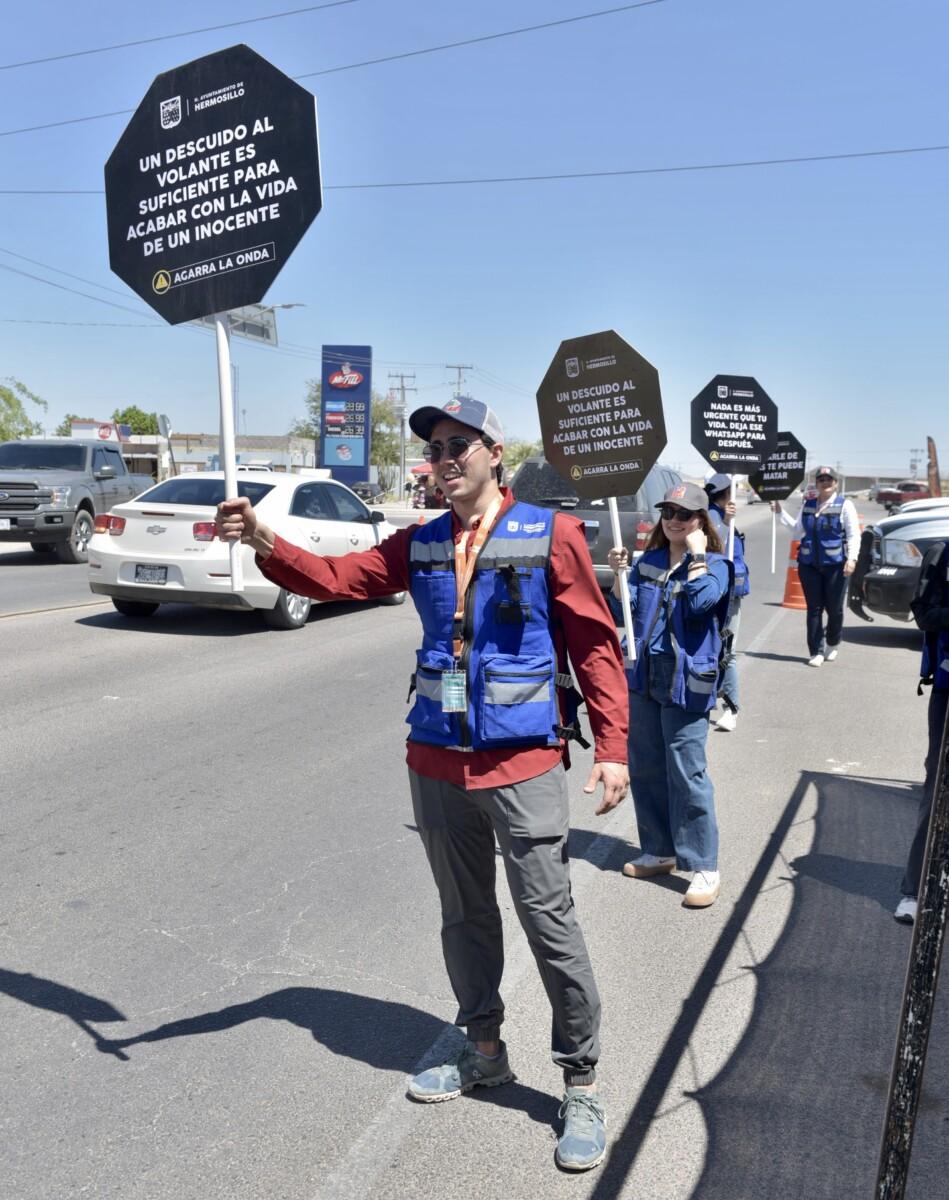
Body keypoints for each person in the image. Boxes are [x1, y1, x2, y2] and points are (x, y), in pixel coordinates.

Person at [216, 396, 629, 1173]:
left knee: (549, 923)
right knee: (463, 917)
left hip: (523, 762)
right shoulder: (421, 541)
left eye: (457, 445)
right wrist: (264, 537)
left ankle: (580, 1080)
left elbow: (594, 644)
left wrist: (612, 747)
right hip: (436, 760)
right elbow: (335, 578)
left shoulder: (553, 534)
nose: (443, 460)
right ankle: (483, 1049)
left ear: (494, 453)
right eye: (434, 449)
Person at [608, 483, 732, 909]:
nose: (674, 520)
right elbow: (621, 613)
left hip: (686, 682)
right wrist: (619, 577)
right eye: (668, 513)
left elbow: (701, 604)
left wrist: (696, 556)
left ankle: (704, 865)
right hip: (644, 676)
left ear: (701, 521)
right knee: (645, 767)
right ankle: (659, 850)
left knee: (687, 773)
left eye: (684, 514)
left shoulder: (717, 565)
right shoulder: (649, 563)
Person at [894, 539, 949, 924]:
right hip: (947, 689)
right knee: (937, 788)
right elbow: (924, 613)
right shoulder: (942, 555)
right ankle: (915, 890)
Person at [771, 466, 860, 667]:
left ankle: (833, 642)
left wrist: (852, 559)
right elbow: (797, 530)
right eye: (821, 479)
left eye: (829, 479)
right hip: (809, 565)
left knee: (834, 609)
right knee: (814, 608)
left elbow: (854, 534)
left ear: (835, 483)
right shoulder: (808, 505)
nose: (825, 483)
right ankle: (816, 651)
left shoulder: (845, 506)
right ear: (816, 483)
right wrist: (779, 512)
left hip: (836, 566)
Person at [704, 473, 750, 732]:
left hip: (728, 592)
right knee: (725, 652)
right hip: (720, 593)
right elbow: (715, 548)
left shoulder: (717, 516)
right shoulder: (712, 517)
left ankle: (725, 704)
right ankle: (730, 708)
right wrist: (726, 522)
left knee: (721, 651)